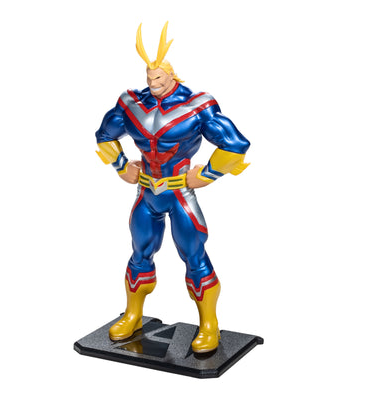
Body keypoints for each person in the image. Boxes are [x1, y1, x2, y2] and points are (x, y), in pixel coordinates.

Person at [95, 22, 250, 353]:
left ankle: (209, 324)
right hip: (147, 191)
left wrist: (207, 174)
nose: (153, 84)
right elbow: (104, 135)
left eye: (159, 79)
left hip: (179, 191)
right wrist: (121, 165)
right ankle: (133, 315)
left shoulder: (196, 106)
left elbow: (236, 145)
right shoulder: (131, 103)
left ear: (171, 75)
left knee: (194, 255)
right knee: (140, 252)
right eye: (149, 78)